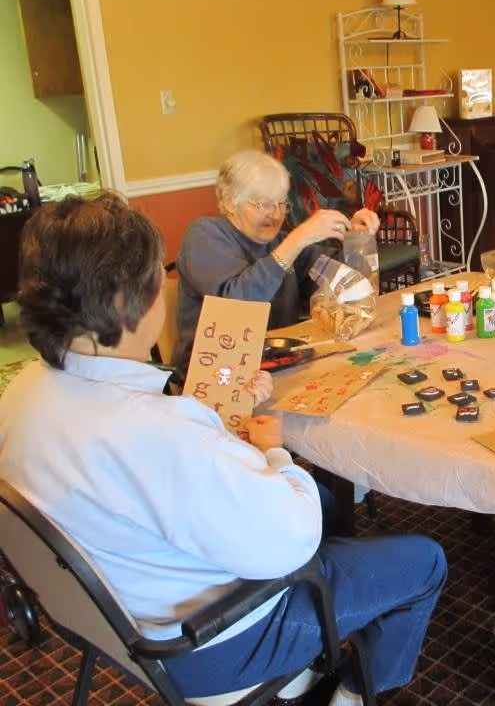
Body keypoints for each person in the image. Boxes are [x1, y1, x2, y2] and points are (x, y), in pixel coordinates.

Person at [0, 194, 446, 706]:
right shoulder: (157, 433)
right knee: (424, 561)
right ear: (126, 303)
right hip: (214, 644)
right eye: (155, 281)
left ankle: (312, 652)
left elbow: (143, 469)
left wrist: (211, 434)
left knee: (323, 503)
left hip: (112, 619)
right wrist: (274, 453)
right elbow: (292, 539)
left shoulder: (21, 393)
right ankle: (348, 693)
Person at [173, 150, 381, 369]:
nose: (276, 215)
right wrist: (297, 239)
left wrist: (356, 240)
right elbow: (236, 309)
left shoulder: (279, 241)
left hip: (277, 366)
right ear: (230, 202)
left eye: (282, 203)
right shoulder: (205, 235)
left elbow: (340, 283)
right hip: (215, 373)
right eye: (265, 204)